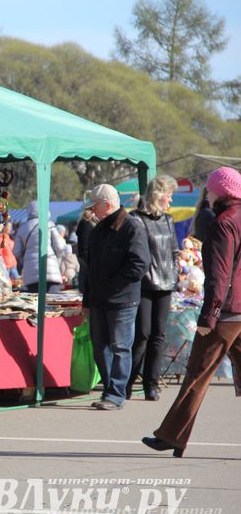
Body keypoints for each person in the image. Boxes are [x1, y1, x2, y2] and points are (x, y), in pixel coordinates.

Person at [143, 167, 241, 457]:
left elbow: (219, 275)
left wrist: (208, 317)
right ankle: (173, 436)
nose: (207, 194)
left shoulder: (225, 222)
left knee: (196, 374)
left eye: (209, 189)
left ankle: (172, 436)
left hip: (226, 313)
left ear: (220, 192)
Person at [83, 184, 151, 410]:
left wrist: (112, 286)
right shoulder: (98, 230)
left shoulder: (132, 227)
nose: (93, 211)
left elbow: (139, 265)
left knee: (121, 347)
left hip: (122, 300)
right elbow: (90, 268)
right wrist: (87, 299)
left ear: (107, 204)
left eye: (95, 206)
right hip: (100, 299)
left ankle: (116, 393)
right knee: (101, 347)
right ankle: (110, 389)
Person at [128, 175, 179, 401]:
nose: (171, 199)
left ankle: (151, 384)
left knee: (158, 335)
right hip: (144, 283)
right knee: (142, 334)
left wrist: (176, 273)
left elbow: (174, 251)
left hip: (166, 283)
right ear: (159, 194)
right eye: (169, 194)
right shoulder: (136, 219)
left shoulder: (168, 219)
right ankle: (127, 382)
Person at [13, 200, 68, 293]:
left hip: (31, 274)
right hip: (51, 270)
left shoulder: (22, 228)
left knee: (35, 303)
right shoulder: (49, 225)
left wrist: (25, 260)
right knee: (53, 303)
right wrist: (58, 259)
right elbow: (60, 247)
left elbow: (16, 252)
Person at [75, 206, 97, 294]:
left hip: (86, 260)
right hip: (88, 260)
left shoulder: (85, 223)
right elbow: (85, 246)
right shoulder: (86, 224)